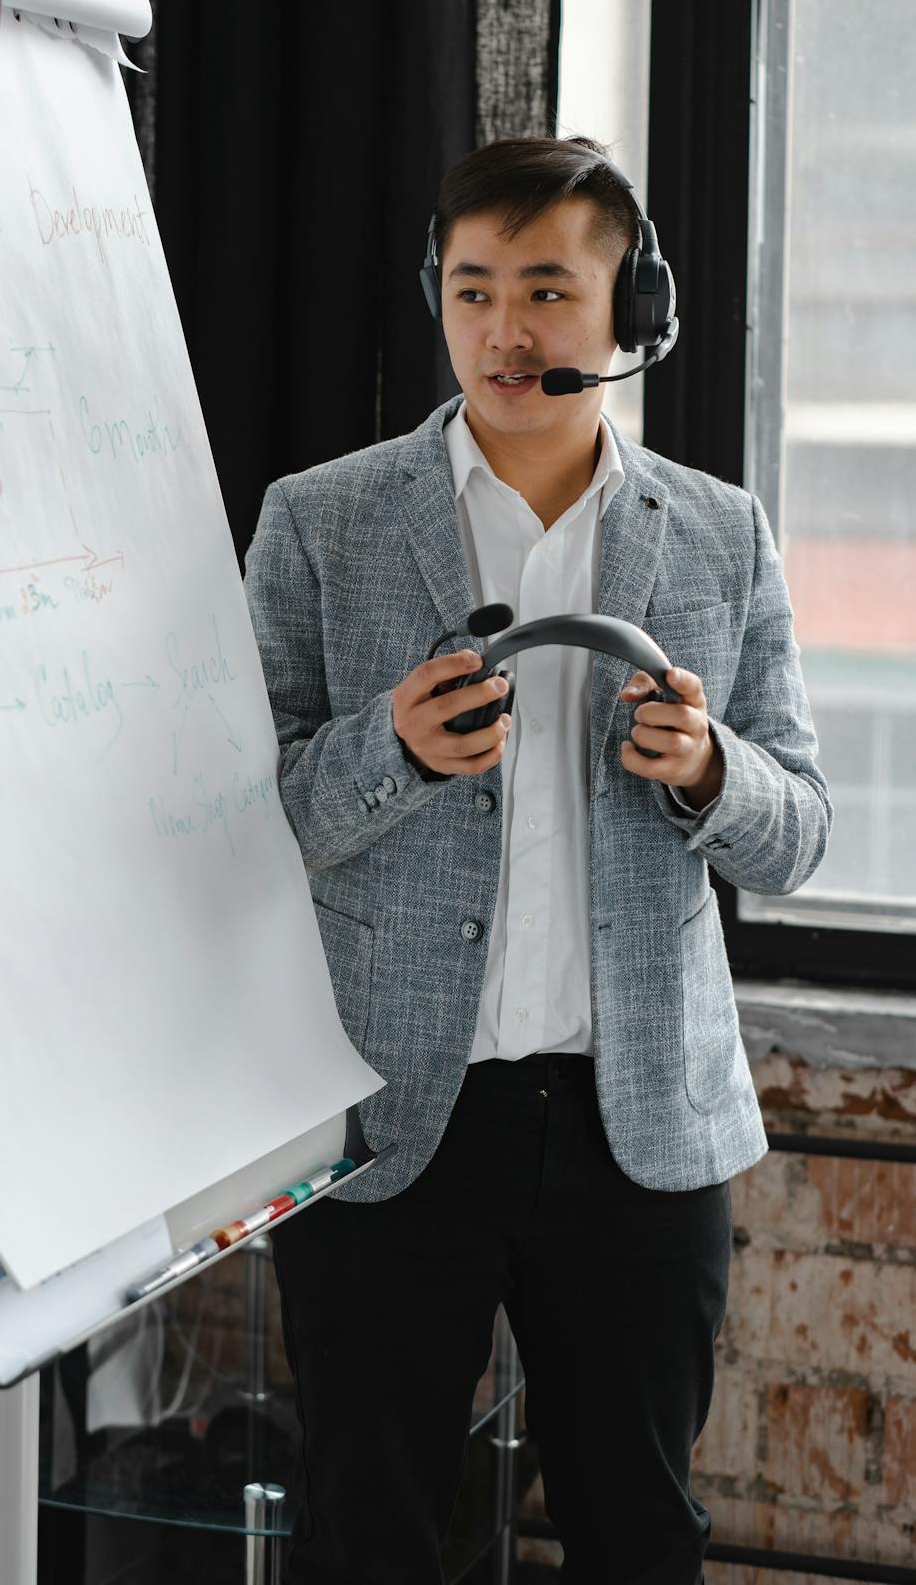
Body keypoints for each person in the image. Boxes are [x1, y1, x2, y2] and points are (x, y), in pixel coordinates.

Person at [241, 135, 833, 1585]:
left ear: (630, 312)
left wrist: (703, 771)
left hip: (638, 1132)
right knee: (365, 1535)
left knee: (638, 1535)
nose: (506, 332)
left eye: (550, 292)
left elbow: (800, 827)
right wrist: (388, 750)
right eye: (472, 289)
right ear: (436, 301)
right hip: (390, 1129)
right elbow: (235, 825)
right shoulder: (318, 521)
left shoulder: (716, 532)